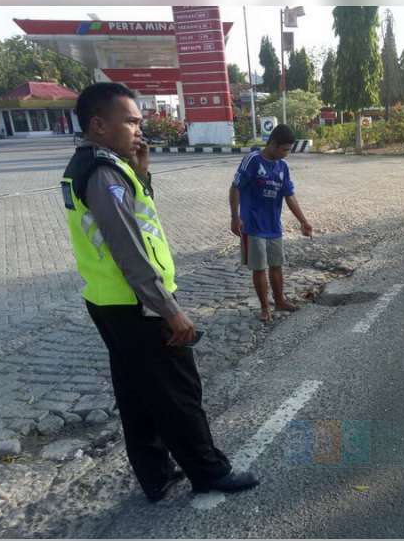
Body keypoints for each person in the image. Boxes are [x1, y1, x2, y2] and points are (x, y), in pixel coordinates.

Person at [61, 83, 259, 502]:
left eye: (139, 121)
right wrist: (170, 310)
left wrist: (143, 171)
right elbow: (129, 249)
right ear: (98, 125)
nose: (138, 128)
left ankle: (155, 475)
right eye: (130, 120)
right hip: (139, 306)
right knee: (179, 392)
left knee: (137, 393)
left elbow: (131, 219)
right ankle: (208, 471)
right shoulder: (103, 173)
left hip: (109, 302)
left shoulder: (95, 165)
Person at [229, 124, 313, 322]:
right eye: (284, 149)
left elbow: (289, 196)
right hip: (252, 226)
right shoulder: (252, 160)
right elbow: (235, 188)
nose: (287, 154)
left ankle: (280, 300)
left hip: (274, 226)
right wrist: (235, 217)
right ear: (273, 144)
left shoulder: (282, 167)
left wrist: (303, 221)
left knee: (277, 265)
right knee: (260, 268)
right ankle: (265, 307)